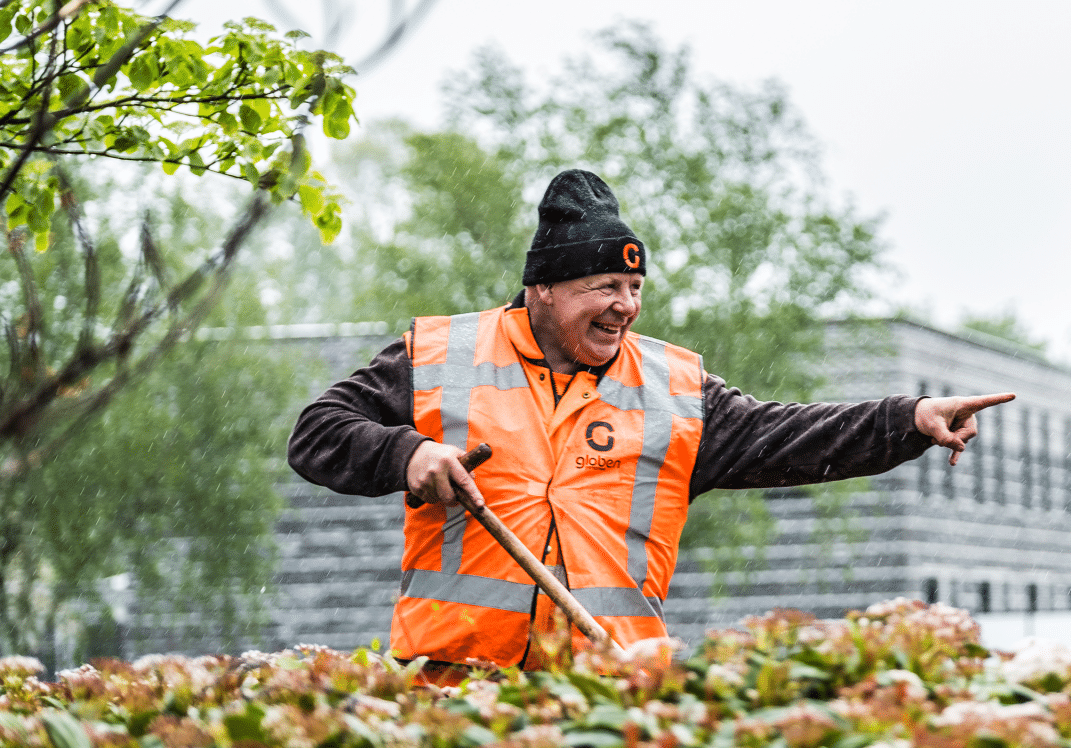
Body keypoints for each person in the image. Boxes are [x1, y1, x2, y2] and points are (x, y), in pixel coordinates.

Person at [288, 168, 1013, 678]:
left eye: (634, 287)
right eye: (602, 285)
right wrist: (405, 454)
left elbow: (790, 436)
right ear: (540, 288)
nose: (624, 305)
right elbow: (317, 432)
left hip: (609, 695)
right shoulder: (441, 356)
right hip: (449, 690)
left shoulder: (676, 389)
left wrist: (911, 418)